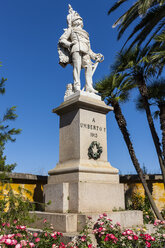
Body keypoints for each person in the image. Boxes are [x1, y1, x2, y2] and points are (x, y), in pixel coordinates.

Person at [58, 5, 104, 94]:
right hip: (75, 49)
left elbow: (89, 48)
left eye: (80, 20)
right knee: (77, 68)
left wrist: (95, 56)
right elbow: (62, 39)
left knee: (89, 67)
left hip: (86, 51)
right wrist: (70, 44)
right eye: (77, 20)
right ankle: (77, 87)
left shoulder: (86, 33)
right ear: (73, 22)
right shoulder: (70, 30)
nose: (79, 21)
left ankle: (89, 87)